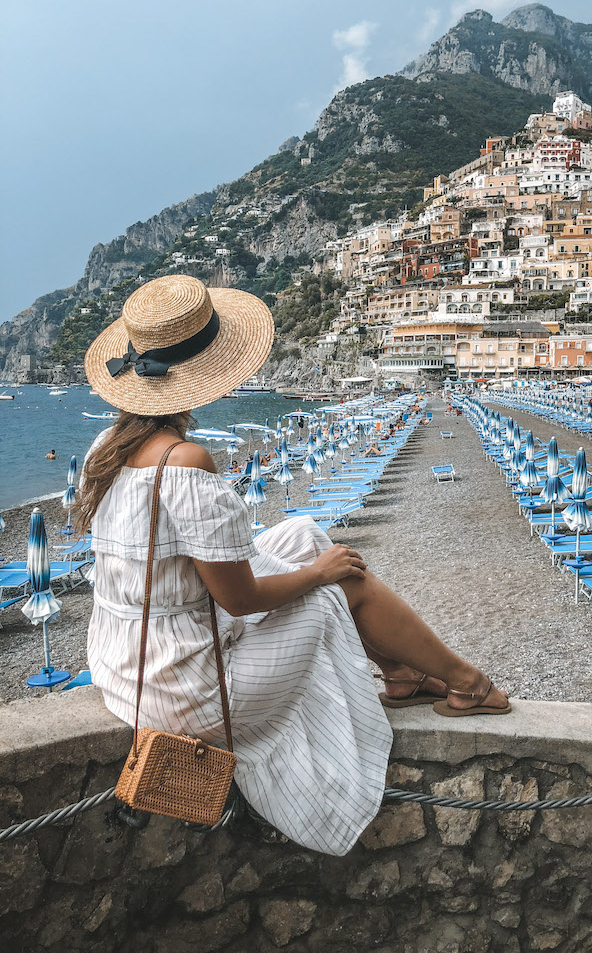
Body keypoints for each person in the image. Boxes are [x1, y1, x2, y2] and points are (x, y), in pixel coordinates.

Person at [78, 275, 509, 858]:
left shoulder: (105, 450)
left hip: (128, 668)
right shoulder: (186, 460)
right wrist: (320, 574)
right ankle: (468, 683)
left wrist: (312, 561)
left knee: (304, 532)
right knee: (342, 582)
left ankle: (407, 676)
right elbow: (242, 600)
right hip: (191, 691)